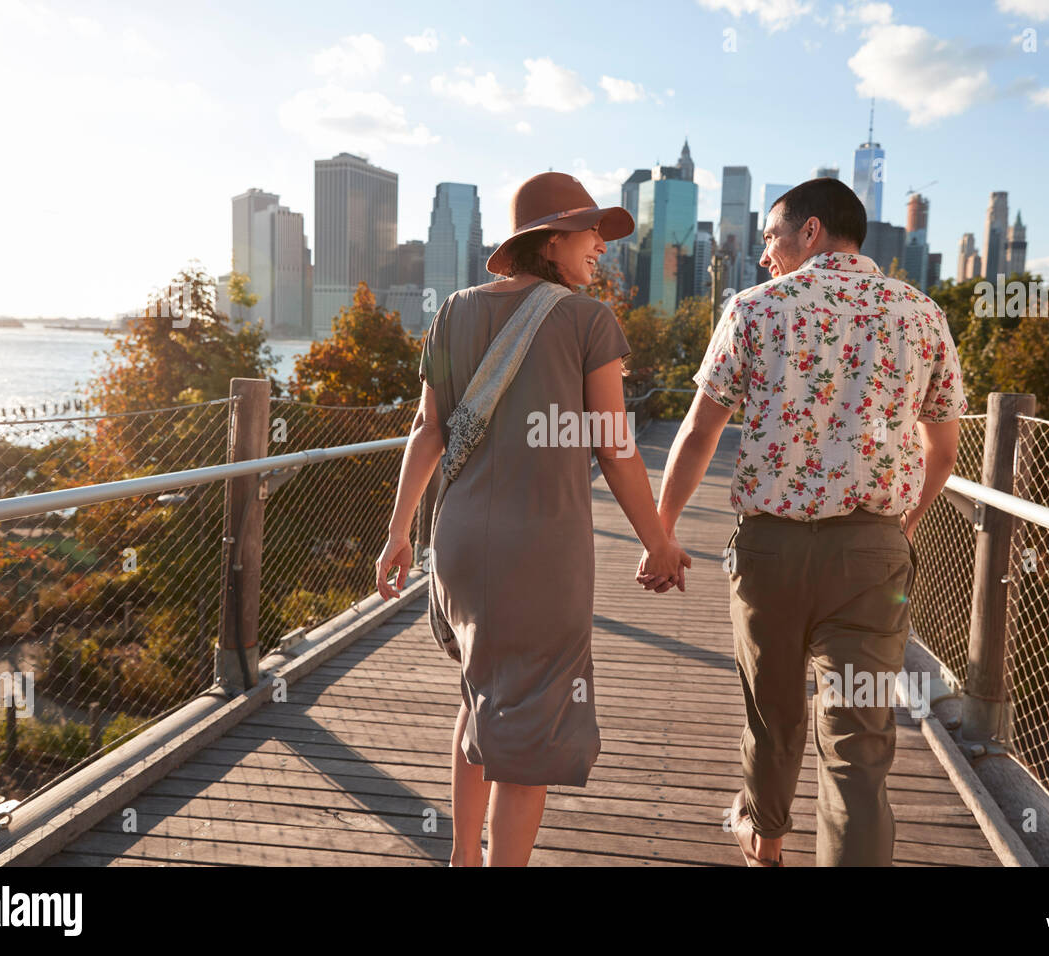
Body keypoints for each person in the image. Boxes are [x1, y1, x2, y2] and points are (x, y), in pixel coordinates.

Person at [637, 177, 966, 866]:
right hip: (873, 556)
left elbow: (698, 433)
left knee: (774, 716)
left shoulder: (756, 309)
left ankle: (765, 844)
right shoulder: (922, 313)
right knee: (860, 746)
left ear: (810, 231)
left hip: (772, 555)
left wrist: (662, 532)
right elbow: (944, 451)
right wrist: (902, 525)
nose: (763, 256)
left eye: (770, 238)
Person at [375, 171, 691, 867]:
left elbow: (427, 429)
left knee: (480, 697)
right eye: (589, 235)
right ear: (552, 242)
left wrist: (399, 534)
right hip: (540, 556)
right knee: (527, 744)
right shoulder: (586, 320)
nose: (599, 250)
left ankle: (463, 859)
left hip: (457, 545)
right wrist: (660, 543)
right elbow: (615, 447)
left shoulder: (455, 309)